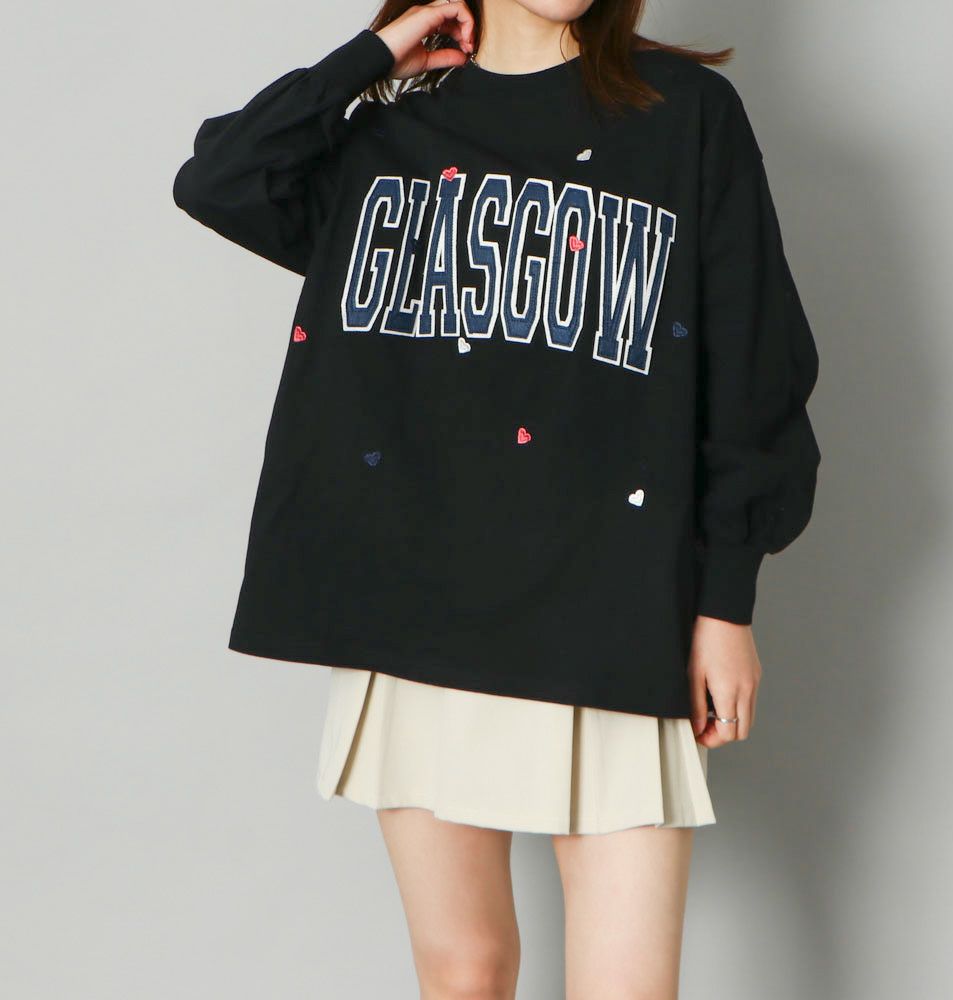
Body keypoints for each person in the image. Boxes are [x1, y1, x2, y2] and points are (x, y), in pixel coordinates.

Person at [172, 0, 821, 996]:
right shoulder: (390, 129)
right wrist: (369, 58)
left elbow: (751, 364)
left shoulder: (685, 114)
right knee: (465, 970)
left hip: (614, 593)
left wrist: (725, 601)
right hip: (419, 597)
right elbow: (222, 178)